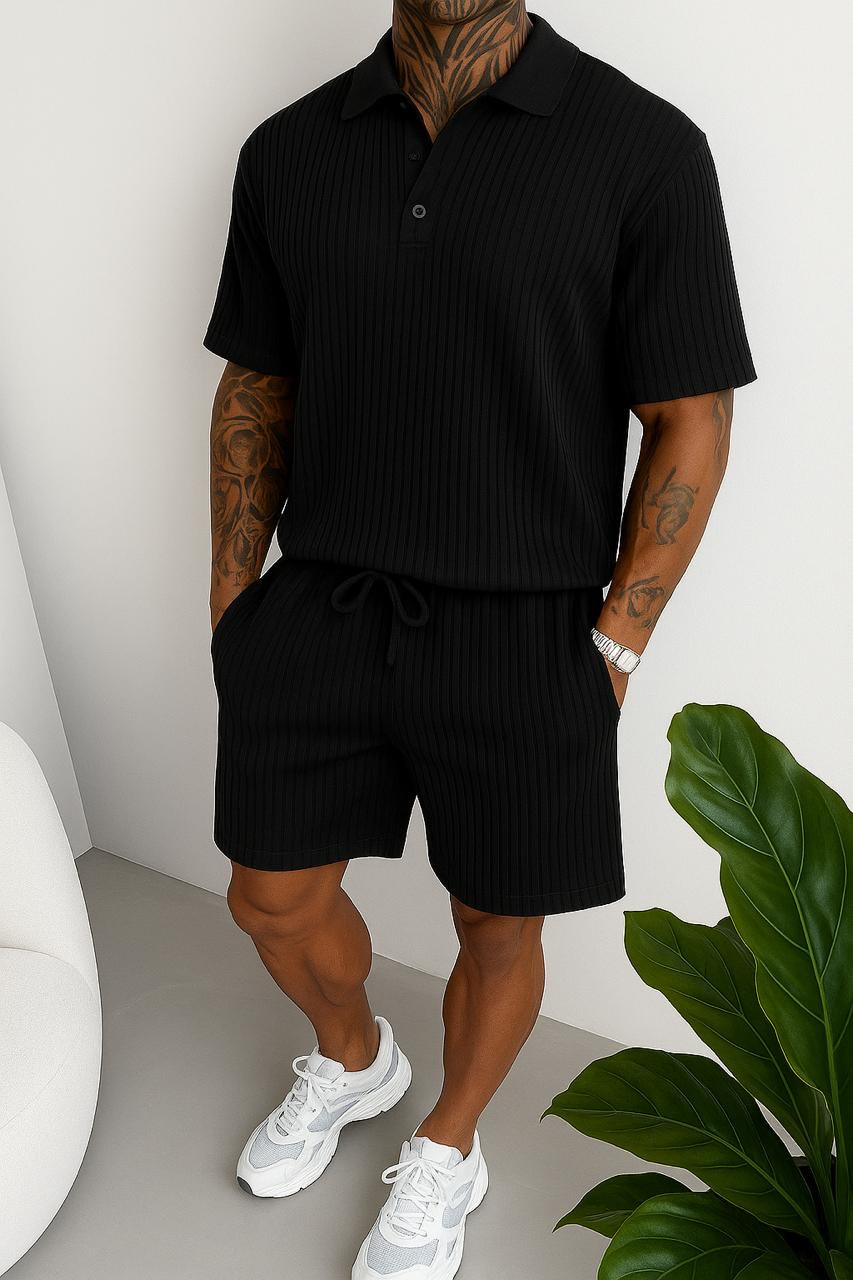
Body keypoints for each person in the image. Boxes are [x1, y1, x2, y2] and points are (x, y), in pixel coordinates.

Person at [202, 3, 757, 1276]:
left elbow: (690, 414)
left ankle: (448, 1140)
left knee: (496, 926)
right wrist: (234, 602)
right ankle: (356, 1059)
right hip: (325, 599)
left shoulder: (643, 149)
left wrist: (615, 645)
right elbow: (257, 383)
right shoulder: (289, 150)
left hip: (528, 622)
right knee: (268, 896)